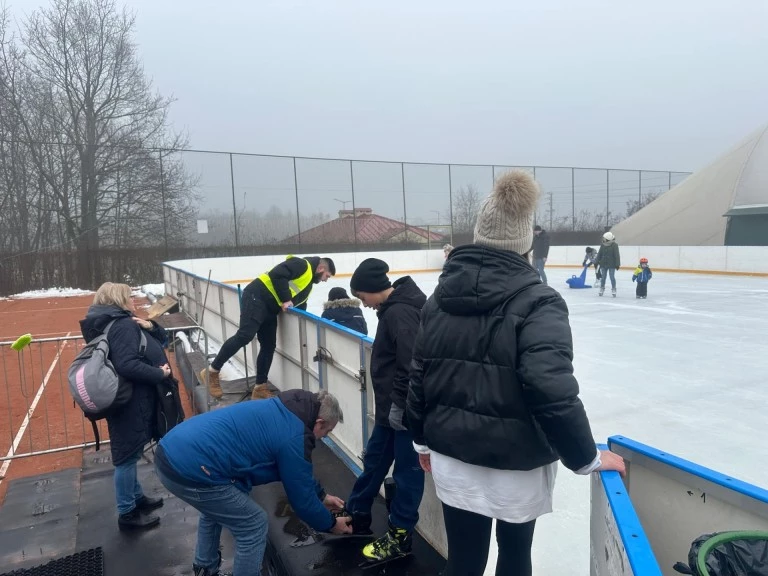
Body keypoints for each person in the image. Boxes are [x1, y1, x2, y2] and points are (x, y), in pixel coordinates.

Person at [405, 170, 626, 576]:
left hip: (452, 456)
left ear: (479, 235)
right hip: (516, 464)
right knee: (515, 555)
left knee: (464, 560)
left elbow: (419, 374)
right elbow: (550, 388)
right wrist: (586, 457)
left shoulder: (439, 298)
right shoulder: (539, 301)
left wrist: (421, 441)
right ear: (525, 243)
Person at [155, 389, 352, 576]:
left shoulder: (286, 408)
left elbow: (298, 474)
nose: (324, 437)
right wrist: (332, 524)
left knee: (218, 509)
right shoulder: (294, 436)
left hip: (172, 450)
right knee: (253, 524)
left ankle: (205, 568)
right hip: (188, 468)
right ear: (319, 422)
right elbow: (301, 499)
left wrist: (322, 496)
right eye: (327, 431)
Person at [345, 258, 426, 564]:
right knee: (376, 459)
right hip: (390, 409)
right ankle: (358, 511)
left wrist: (400, 407)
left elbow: (411, 364)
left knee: (407, 474)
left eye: (362, 296)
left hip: (404, 411)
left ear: (373, 289)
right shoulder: (391, 310)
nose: (362, 304)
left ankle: (401, 535)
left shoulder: (401, 313)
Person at [79, 282, 171, 531]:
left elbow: (163, 340)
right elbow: (128, 365)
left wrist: (150, 325)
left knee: (129, 452)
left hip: (126, 399)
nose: (133, 300)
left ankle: (136, 498)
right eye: (129, 296)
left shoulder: (112, 322)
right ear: (119, 300)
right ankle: (127, 513)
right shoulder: (122, 326)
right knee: (126, 457)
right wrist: (159, 374)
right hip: (130, 401)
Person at [200, 256, 336, 399]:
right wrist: (286, 299)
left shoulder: (308, 284)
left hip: (271, 307)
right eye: (326, 276)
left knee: (269, 345)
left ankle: (260, 387)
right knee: (245, 335)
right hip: (257, 296)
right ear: (321, 268)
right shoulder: (302, 265)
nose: (325, 280)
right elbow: (277, 274)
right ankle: (212, 372)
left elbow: (301, 304)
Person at [596, 232, 621, 297]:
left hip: (611, 264)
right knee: (603, 277)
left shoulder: (615, 245)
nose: (603, 240)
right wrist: (596, 261)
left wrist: (617, 264)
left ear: (609, 240)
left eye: (605, 239)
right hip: (603, 264)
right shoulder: (603, 245)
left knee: (612, 277)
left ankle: (613, 289)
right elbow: (599, 253)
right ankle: (602, 288)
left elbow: (617, 255)